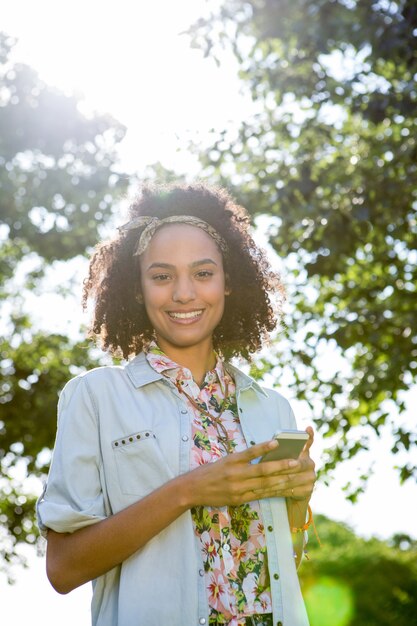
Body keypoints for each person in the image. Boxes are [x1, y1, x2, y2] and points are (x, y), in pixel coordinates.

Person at [37, 183, 316, 626]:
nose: (184, 294)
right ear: (137, 288)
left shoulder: (273, 408)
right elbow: (64, 568)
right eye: (162, 276)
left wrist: (299, 498)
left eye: (203, 273)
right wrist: (190, 491)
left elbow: (275, 568)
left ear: (229, 283)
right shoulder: (95, 397)